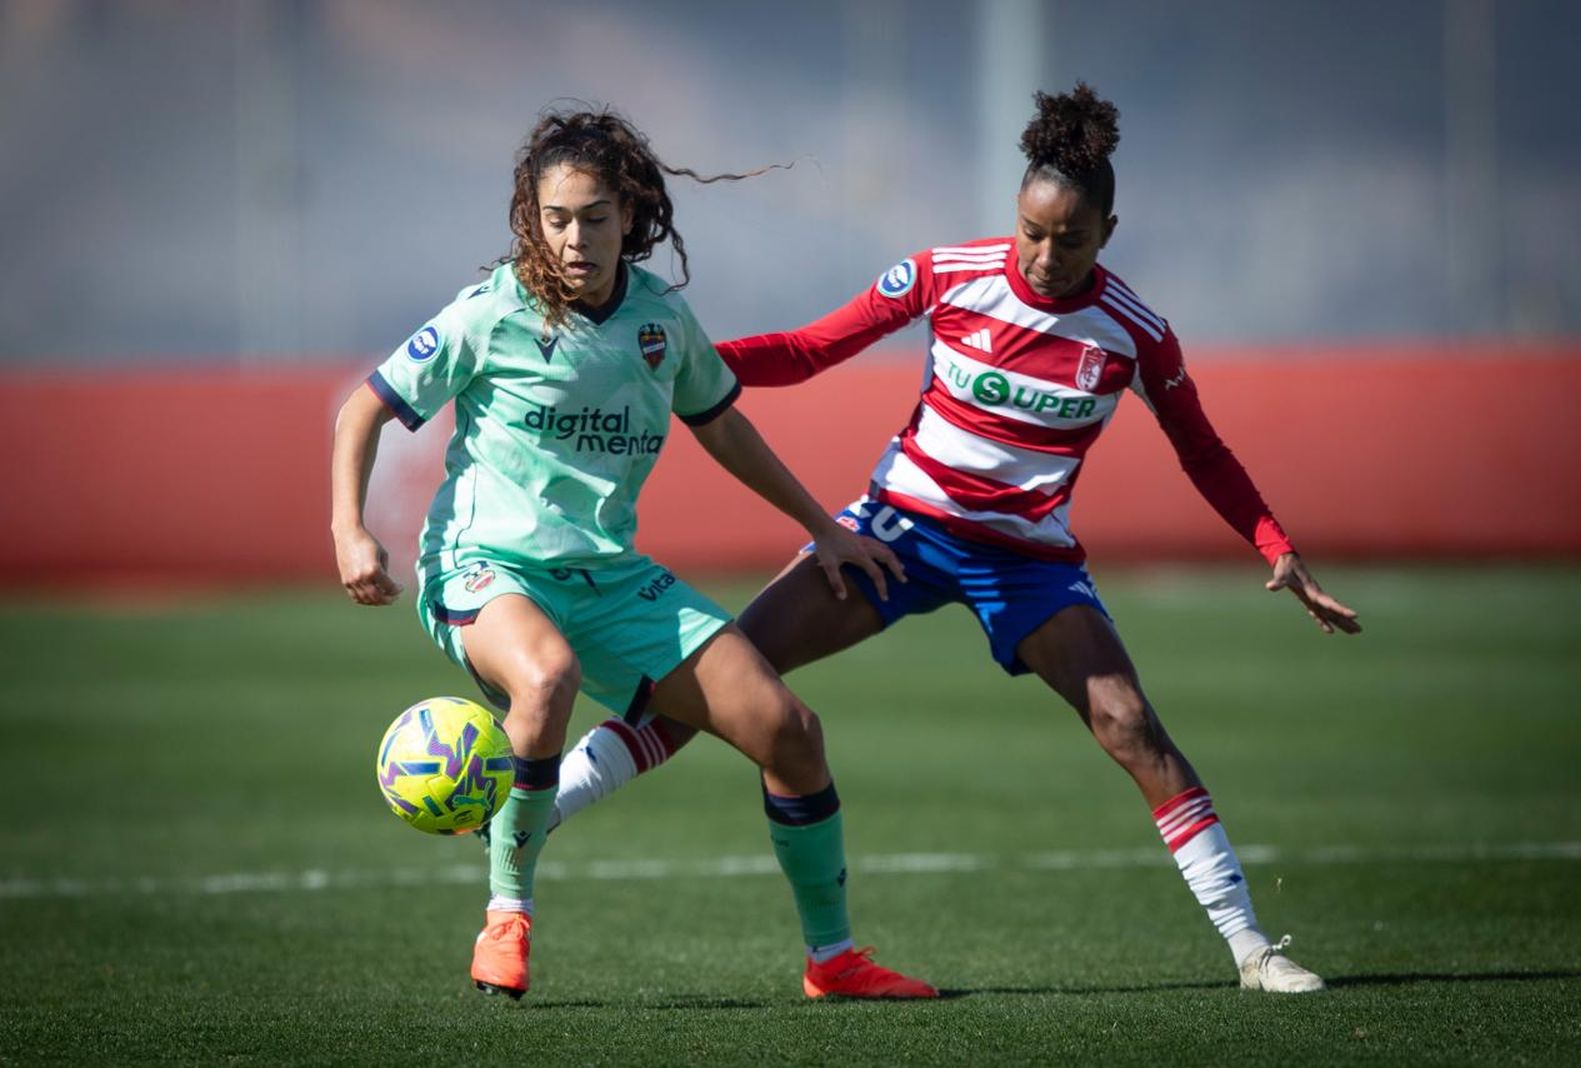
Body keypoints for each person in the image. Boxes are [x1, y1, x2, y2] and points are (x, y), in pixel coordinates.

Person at [545, 85, 1361, 994]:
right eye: (1031, 232)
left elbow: (1201, 448)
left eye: (1071, 240)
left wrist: (1273, 544)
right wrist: (687, 364)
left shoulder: (1134, 334)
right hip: (895, 534)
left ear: (1110, 230)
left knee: (1131, 725)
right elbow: (813, 349)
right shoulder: (946, 272)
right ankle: (540, 811)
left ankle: (1252, 949)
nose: (1046, 256)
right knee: (726, 677)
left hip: (1029, 563)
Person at [330, 107, 936, 1002]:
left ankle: (833, 959)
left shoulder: (660, 320)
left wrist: (823, 525)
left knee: (791, 734)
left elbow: (723, 428)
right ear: (531, 221)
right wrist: (349, 530)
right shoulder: (492, 312)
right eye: (557, 219)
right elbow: (363, 409)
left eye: (596, 217)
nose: (576, 239)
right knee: (546, 678)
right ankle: (508, 915)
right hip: (484, 565)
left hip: (608, 575)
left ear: (631, 214)